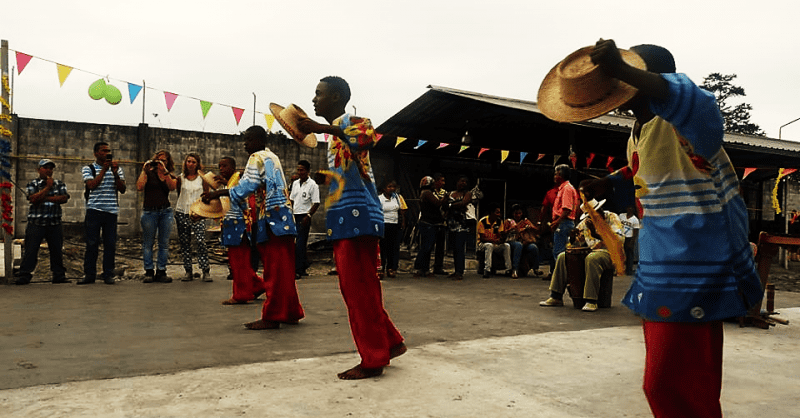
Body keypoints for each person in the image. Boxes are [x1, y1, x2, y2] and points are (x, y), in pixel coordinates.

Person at [540, 39, 762, 417]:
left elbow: (699, 101)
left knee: (669, 382)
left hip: (698, 263)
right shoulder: (638, 131)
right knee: (680, 379)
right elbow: (647, 168)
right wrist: (610, 182)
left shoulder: (689, 119)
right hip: (662, 264)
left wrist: (625, 70)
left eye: (625, 76)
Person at [298, 75, 405, 380]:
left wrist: (321, 128)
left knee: (359, 290)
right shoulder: (334, 137)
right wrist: (326, 177)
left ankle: (373, 359)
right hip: (346, 218)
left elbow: (364, 138)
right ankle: (391, 343)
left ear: (335, 98)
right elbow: (350, 173)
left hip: (358, 219)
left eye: (318, 94)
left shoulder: (356, 122)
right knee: (358, 289)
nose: (314, 100)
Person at [202, 126, 304, 328]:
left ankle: (272, 316)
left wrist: (217, 193)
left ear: (258, 140)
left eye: (248, 140)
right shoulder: (272, 157)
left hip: (271, 218)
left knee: (273, 270)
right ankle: (290, 311)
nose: (245, 144)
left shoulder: (256, 157)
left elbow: (246, 187)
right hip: (284, 217)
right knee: (283, 269)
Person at [539, 201, 624, 311]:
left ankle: (591, 300)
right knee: (562, 256)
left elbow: (619, 241)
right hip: (591, 251)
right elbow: (574, 244)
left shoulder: (612, 217)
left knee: (592, 258)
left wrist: (596, 234)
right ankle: (556, 296)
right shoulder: (586, 223)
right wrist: (573, 238)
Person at [205, 156, 265, 305]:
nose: (221, 169)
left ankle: (241, 294)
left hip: (239, 225)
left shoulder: (238, 179)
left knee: (239, 262)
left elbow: (237, 192)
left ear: (233, 168)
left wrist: (217, 193)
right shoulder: (230, 183)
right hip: (232, 225)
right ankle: (258, 286)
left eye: (224, 166)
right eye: (220, 166)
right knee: (238, 261)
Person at [14, 159, 70, 285]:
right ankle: (24, 275)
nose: (48, 170)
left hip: (54, 222)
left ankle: (58, 275)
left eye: (50, 168)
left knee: (56, 250)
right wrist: (48, 188)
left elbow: (64, 198)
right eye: (45, 168)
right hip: (36, 222)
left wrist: (43, 197)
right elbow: (33, 199)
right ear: (39, 170)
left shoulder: (59, 183)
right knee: (31, 250)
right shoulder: (32, 184)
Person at [80, 142, 126, 285]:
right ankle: (89, 274)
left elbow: (122, 189)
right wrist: (103, 171)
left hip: (111, 211)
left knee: (110, 244)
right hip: (94, 210)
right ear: (95, 153)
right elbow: (91, 185)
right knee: (92, 243)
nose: (106, 153)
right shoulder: (89, 168)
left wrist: (114, 173)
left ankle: (108, 274)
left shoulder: (117, 169)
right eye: (103, 151)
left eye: (108, 151)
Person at [136, 150, 177, 283]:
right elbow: (139, 187)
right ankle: (148, 271)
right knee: (148, 243)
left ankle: (161, 271)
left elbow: (172, 187)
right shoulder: (149, 173)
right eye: (158, 160)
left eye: (164, 160)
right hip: (149, 212)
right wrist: (144, 170)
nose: (161, 162)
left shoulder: (169, 174)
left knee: (163, 244)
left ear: (168, 162)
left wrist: (165, 171)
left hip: (165, 211)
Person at [174, 153, 211, 282]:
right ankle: (188, 271)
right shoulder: (180, 178)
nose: (190, 164)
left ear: (198, 164)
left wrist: (202, 212)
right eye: (188, 161)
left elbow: (207, 196)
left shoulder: (202, 178)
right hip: (182, 212)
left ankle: (205, 270)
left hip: (198, 214)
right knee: (185, 243)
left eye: (193, 162)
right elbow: (179, 193)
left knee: (201, 241)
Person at [289, 159, 320, 280]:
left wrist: (309, 215)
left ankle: (298, 270)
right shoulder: (295, 183)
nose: (299, 172)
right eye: (298, 170)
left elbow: (316, 203)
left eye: (302, 170)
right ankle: (304, 265)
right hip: (294, 215)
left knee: (300, 244)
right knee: (296, 244)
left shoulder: (313, 185)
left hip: (304, 216)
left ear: (307, 171)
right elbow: (291, 199)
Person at [547, 164, 578, 280]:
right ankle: (563, 277)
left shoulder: (566, 189)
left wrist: (557, 222)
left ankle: (562, 278)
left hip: (564, 223)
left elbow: (567, 209)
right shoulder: (564, 188)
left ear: (562, 176)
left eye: (557, 174)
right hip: (563, 222)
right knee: (560, 252)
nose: (555, 176)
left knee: (559, 253)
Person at [413, 176, 449, 277]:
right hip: (428, 223)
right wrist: (445, 198)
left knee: (427, 246)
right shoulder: (427, 193)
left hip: (431, 222)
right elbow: (437, 203)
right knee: (426, 246)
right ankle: (419, 266)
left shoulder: (426, 192)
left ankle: (424, 269)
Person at [446, 175, 474, 280]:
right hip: (451, 223)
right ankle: (456, 270)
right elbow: (445, 204)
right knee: (454, 248)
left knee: (459, 248)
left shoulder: (467, 193)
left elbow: (464, 203)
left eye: (465, 182)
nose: (463, 183)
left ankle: (459, 271)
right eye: (462, 181)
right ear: (457, 182)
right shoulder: (451, 193)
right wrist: (453, 205)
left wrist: (451, 205)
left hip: (461, 224)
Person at [378, 180, 407, 279]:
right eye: (389, 187)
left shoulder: (397, 198)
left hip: (395, 225)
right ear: (384, 188)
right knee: (383, 248)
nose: (392, 189)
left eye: (393, 187)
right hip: (384, 225)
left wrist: (402, 222)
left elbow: (402, 211)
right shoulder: (379, 199)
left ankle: (391, 268)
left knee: (393, 248)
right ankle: (381, 268)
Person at [504, 204, 542, 278]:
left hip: (524, 241)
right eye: (516, 213)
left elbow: (536, 230)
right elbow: (504, 233)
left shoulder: (525, 221)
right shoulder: (508, 221)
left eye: (519, 213)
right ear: (512, 213)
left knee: (533, 247)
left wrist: (531, 227)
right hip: (511, 241)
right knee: (518, 245)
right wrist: (512, 229)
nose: (518, 215)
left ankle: (536, 268)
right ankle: (515, 269)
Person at [476, 202, 512, 278]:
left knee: (506, 246)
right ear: (491, 213)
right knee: (489, 245)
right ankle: (487, 269)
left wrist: (504, 234)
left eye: (499, 212)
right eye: (497, 212)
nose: (499, 214)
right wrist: (495, 240)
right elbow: (482, 238)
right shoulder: (482, 221)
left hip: (494, 244)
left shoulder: (499, 222)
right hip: (482, 245)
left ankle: (509, 269)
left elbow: (501, 235)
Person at [431, 173, 448, 275]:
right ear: (436, 181)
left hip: (441, 222)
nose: (443, 183)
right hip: (431, 221)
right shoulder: (430, 192)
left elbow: (446, 206)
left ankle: (438, 267)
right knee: (428, 245)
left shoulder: (444, 192)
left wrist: (445, 215)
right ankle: (424, 268)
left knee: (440, 246)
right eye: (441, 180)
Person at [618, 205, 640, 275]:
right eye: (628, 208)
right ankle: (620, 270)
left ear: (633, 210)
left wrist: (632, 242)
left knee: (629, 254)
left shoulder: (635, 219)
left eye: (631, 208)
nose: (629, 209)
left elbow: (635, 231)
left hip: (629, 238)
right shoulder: (621, 216)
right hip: (621, 236)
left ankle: (629, 270)